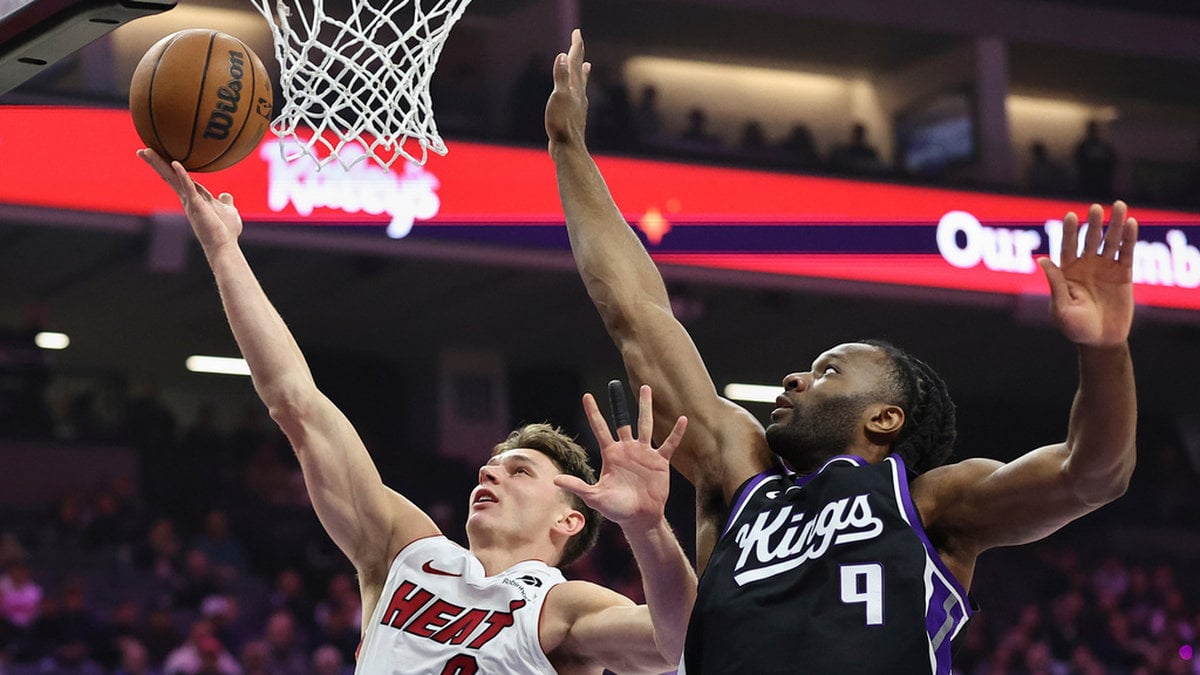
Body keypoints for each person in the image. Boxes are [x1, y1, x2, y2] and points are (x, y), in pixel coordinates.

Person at [546, 30, 1138, 674]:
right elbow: (636, 313)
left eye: (828, 371)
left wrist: (1105, 350)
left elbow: (1092, 475)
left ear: (884, 417)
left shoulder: (931, 504)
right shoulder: (739, 473)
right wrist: (568, 147)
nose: (795, 379)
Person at [138, 148, 697, 675]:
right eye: (493, 466)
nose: (490, 473)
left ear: (568, 520)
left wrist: (647, 526)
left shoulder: (565, 607)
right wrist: (223, 249)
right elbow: (296, 405)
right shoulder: (406, 551)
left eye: (520, 471)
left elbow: (683, 644)